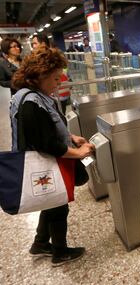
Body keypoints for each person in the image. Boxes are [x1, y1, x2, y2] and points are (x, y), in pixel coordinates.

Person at [10, 47, 95, 266]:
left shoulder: (28, 95)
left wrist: (71, 136)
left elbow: (47, 128)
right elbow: (46, 143)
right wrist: (78, 153)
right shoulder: (32, 102)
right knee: (58, 205)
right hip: (46, 165)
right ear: (40, 75)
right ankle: (60, 252)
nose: (58, 83)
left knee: (51, 203)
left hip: (43, 163)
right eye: (55, 78)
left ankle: (39, 243)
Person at [31, 34, 71, 114]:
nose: (33, 46)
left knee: (60, 114)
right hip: (48, 95)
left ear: (43, 43)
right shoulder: (35, 58)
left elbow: (64, 71)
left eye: (35, 43)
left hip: (59, 93)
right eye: (33, 44)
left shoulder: (54, 56)